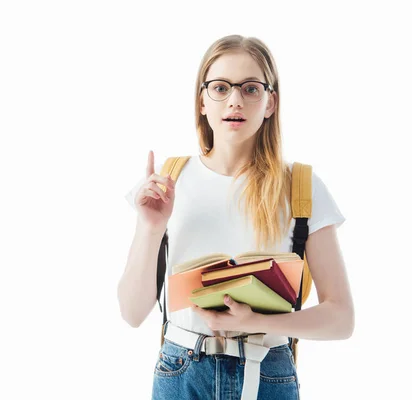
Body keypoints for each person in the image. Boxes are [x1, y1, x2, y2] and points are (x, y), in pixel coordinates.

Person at [117, 34, 354, 400]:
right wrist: (151, 228)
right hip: (180, 372)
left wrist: (255, 321)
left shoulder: (301, 186)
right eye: (221, 87)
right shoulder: (168, 181)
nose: (235, 100)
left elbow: (341, 318)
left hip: (268, 373)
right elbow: (132, 313)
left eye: (250, 88)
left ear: (270, 102)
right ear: (201, 100)